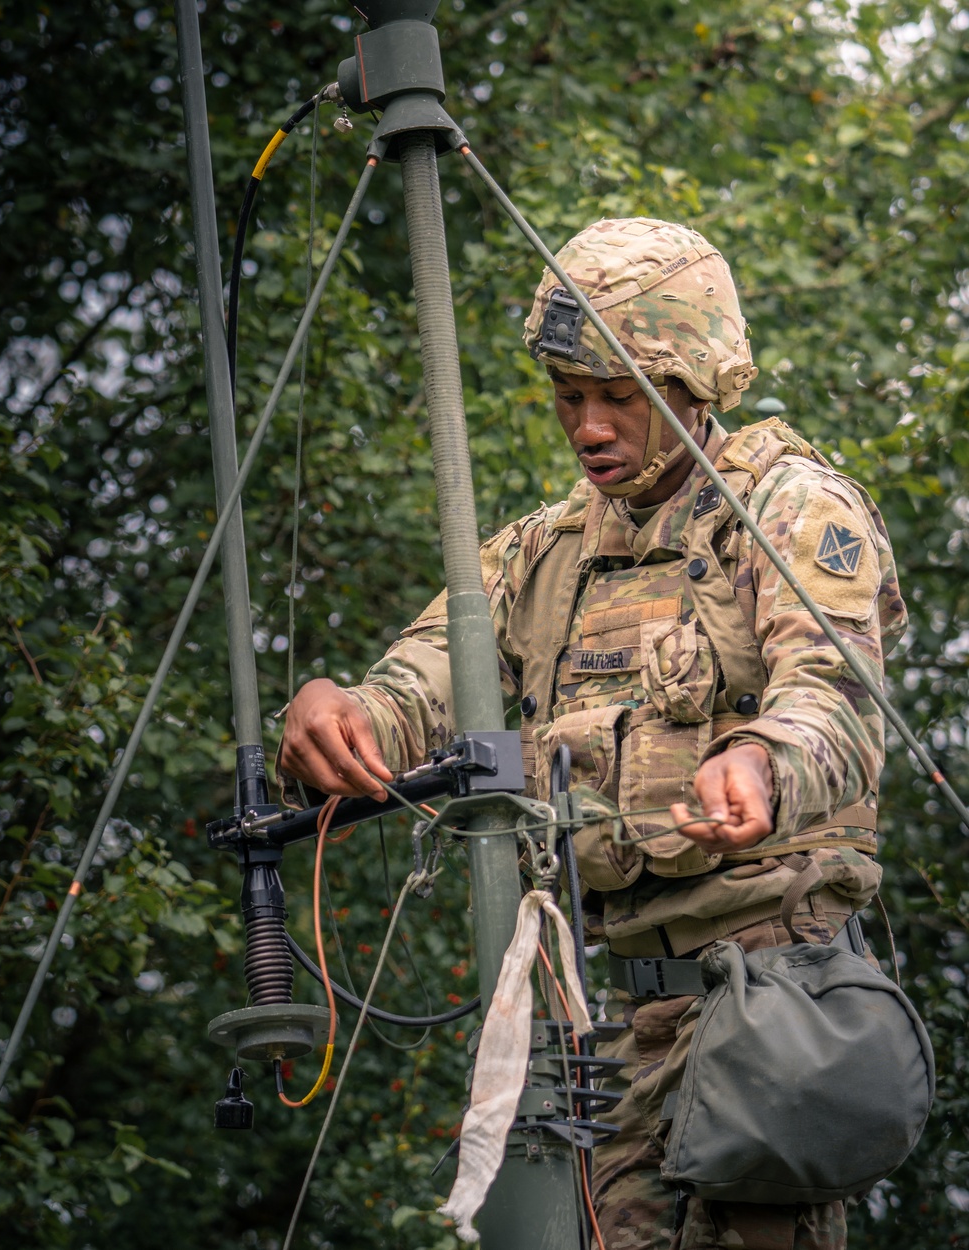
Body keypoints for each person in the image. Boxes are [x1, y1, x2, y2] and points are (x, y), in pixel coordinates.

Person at [277, 218, 907, 1250]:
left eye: (619, 394)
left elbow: (837, 698)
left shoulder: (790, 511)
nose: (589, 424)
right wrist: (334, 707)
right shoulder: (543, 552)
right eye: (570, 394)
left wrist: (761, 760)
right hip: (605, 1020)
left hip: (762, 1002)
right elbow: (416, 686)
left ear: (699, 380)